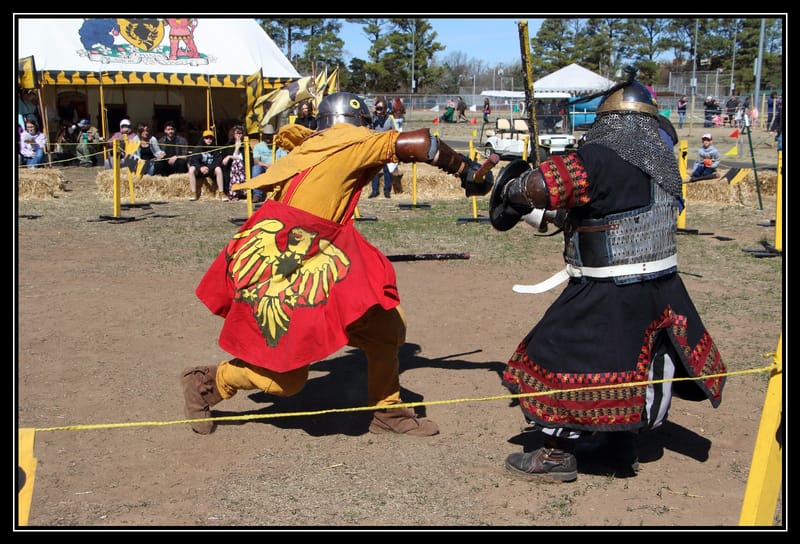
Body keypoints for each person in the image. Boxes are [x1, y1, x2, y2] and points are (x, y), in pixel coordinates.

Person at [181, 91, 495, 437]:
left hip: (313, 257)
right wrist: (466, 170)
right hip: (288, 275)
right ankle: (208, 382)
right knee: (286, 380)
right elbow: (422, 143)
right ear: (359, 125)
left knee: (385, 330)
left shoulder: (317, 147)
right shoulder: (351, 143)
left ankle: (386, 411)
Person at [488, 73, 726, 483]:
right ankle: (619, 444)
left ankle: (555, 454)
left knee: (557, 355)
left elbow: (546, 185)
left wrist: (514, 189)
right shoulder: (661, 157)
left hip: (607, 289)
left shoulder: (600, 156)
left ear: (608, 121)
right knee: (634, 365)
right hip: (662, 289)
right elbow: (596, 209)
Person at [369, 98, 397, 198]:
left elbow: (394, 132)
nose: (378, 110)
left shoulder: (390, 119)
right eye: (377, 107)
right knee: (374, 170)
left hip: (386, 147)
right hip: (376, 147)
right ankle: (374, 190)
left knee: (387, 170)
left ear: (385, 108)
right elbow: (369, 128)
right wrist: (372, 114)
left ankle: (387, 191)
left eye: (380, 108)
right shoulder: (373, 119)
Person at [250, 124, 287, 201]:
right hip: (263, 167)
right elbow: (256, 161)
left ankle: (281, 193)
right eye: (266, 135)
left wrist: (274, 165)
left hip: (277, 167)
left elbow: (284, 159)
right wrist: (266, 165)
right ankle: (257, 194)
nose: (268, 137)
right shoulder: (258, 146)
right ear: (263, 135)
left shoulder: (280, 146)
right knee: (256, 169)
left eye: (270, 135)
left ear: (274, 135)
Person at [187, 129, 226, 201]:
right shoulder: (198, 148)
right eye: (206, 137)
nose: (209, 139)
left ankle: (221, 192)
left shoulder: (215, 149)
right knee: (191, 169)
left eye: (211, 138)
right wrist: (200, 167)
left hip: (211, 170)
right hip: (200, 170)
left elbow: (218, 161)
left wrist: (208, 168)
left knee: (218, 169)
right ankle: (193, 192)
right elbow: (193, 161)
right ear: (203, 138)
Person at [219, 124, 252, 201]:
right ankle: (234, 193)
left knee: (237, 163)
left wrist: (230, 156)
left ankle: (243, 192)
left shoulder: (245, 145)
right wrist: (236, 148)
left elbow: (245, 158)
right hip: (231, 169)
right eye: (237, 133)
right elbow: (225, 162)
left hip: (244, 169)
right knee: (235, 164)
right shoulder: (228, 145)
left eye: (240, 133)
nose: (239, 135)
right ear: (233, 134)